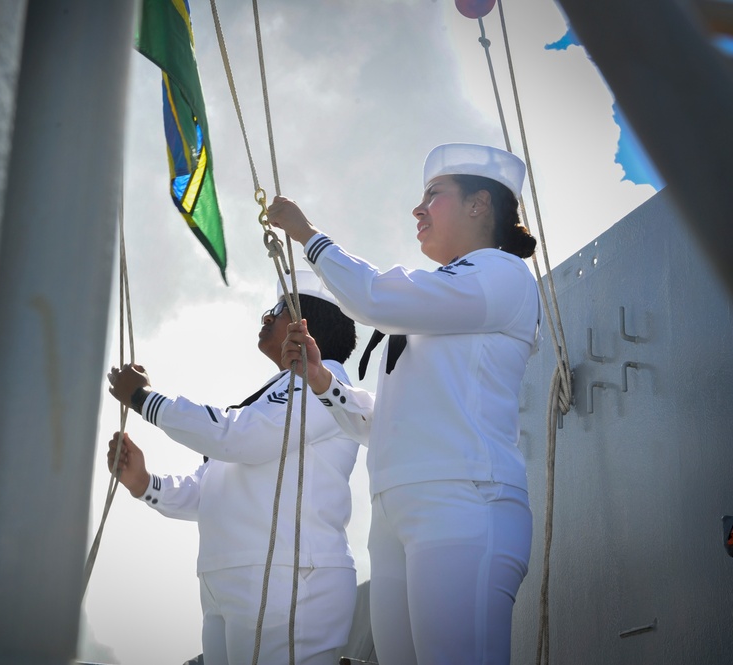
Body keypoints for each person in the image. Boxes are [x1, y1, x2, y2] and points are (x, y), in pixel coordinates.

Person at [267, 142, 540, 664]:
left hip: (463, 499)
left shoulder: (498, 274)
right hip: (397, 509)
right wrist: (324, 381)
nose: (418, 209)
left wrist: (308, 236)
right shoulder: (446, 291)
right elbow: (387, 422)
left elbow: (373, 297)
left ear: (480, 204)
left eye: (434, 195)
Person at [106, 271, 360, 665]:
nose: (266, 319)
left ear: (306, 326)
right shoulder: (273, 393)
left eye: (276, 311)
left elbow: (238, 438)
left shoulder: (324, 382)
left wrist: (144, 400)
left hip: (287, 578)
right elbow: (210, 488)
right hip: (238, 579)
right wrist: (143, 484)